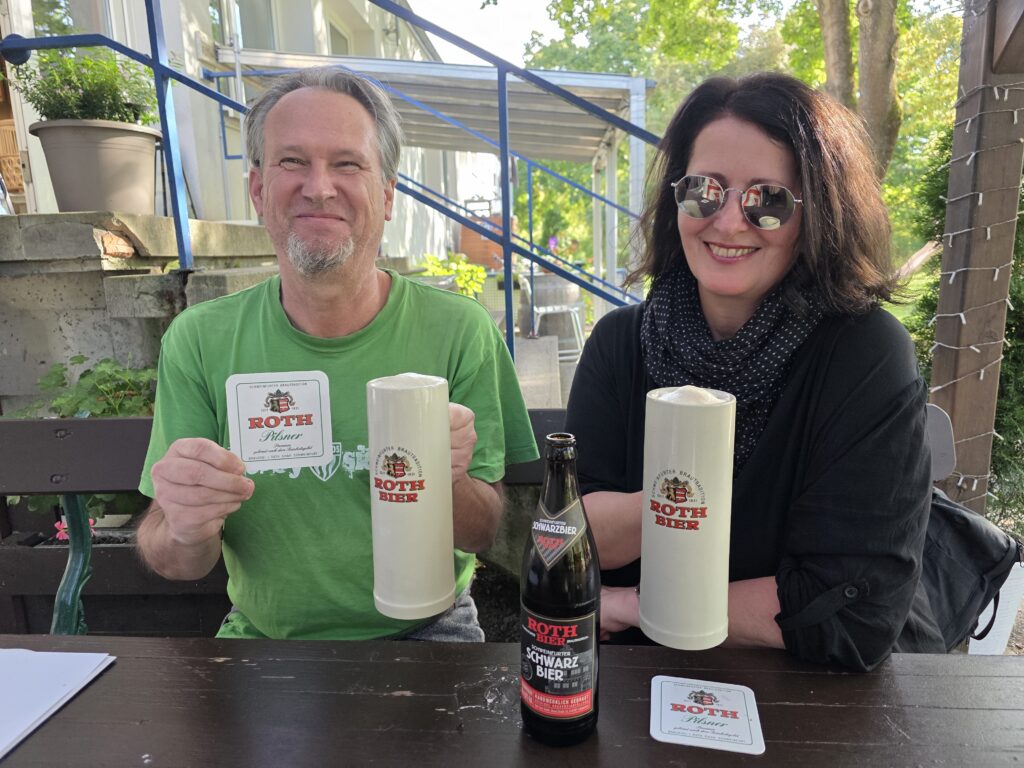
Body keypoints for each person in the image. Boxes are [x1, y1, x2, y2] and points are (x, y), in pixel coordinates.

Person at [135, 67, 538, 641]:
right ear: (258, 191)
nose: (319, 187)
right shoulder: (200, 339)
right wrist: (184, 525)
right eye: (292, 161)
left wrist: (444, 476)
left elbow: (482, 532)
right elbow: (178, 561)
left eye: (348, 164)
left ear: (387, 195)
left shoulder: (459, 330)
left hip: (429, 629)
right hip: (265, 639)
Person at [565, 72, 945, 671]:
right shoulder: (620, 343)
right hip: (641, 681)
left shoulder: (865, 355)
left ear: (817, 217)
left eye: (767, 200)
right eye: (704, 189)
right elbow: (576, 537)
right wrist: (691, 494)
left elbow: (852, 610)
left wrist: (636, 605)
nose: (727, 221)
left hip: (811, 689)